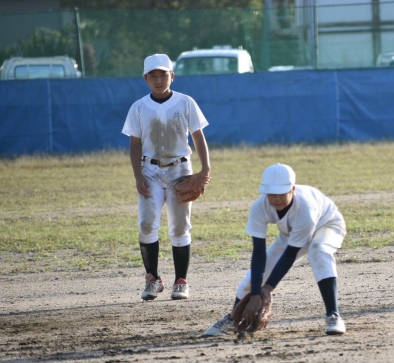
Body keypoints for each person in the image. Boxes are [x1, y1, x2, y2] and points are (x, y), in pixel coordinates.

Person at [205, 163, 347, 336]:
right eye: (272, 194)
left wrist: (268, 288)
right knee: (251, 280)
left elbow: (290, 254)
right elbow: (259, 252)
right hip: (291, 233)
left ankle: (333, 315)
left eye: (281, 193)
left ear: (292, 189)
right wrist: (255, 293)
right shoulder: (260, 206)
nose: (276, 199)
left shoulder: (305, 208)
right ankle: (233, 319)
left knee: (319, 250)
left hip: (327, 225)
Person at [122, 53, 211, 301]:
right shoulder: (139, 107)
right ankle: (152, 279)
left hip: (180, 170)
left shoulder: (185, 102)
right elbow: (135, 144)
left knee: (180, 227)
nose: (158, 80)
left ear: (172, 76)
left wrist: (205, 169)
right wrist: (138, 176)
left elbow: (198, 136)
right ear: (145, 79)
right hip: (150, 171)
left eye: (163, 75)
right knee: (146, 225)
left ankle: (181, 281)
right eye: (153, 76)